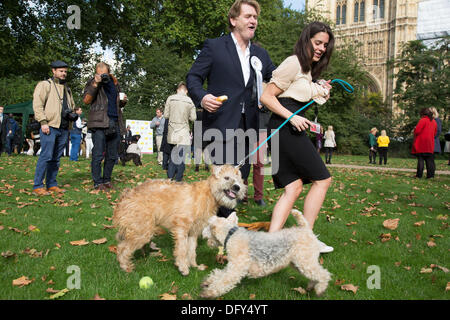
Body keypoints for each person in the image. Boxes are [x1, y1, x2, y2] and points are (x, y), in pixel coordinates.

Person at [187, 0, 276, 217]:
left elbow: (278, 78)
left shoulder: (260, 55)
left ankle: (210, 223)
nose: (253, 20)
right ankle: (220, 230)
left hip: (249, 127)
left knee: (241, 173)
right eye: (248, 16)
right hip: (221, 123)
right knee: (225, 179)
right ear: (233, 20)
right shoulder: (215, 47)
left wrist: (311, 80)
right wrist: (203, 97)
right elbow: (193, 78)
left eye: (255, 17)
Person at [260, 21, 334, 253]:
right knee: (323, 180)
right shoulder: (293, 63)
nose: (321, 48)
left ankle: (270, 243)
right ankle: (306, 239)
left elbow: (301, 96)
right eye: (317, 42)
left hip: (289, 127)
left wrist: (321, 89)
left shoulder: (307, 70)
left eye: (325, 45)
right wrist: (292, 117)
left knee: (293, 187)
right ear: (307, 40)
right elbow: (267, 96)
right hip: (283, 126)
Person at [32, 60, 77, 195]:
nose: (63, 74)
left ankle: (51, 184)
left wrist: (73, 114)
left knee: (56, 158)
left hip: (63, 128)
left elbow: (72, 106)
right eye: (61, 71)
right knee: (46, 156)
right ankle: (38, 186)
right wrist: (43, 122)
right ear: (53, 71)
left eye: (65, 72)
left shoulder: (67, 88)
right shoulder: (45, 85)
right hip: (50, 126)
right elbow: (38, 104)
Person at [83, 61, 127, 191]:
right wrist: (96, 83)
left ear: (109, 72)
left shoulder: (114, 83)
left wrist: (123, 101)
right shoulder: (92, 82)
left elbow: (118, 103)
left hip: (115, 122)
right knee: (98, 154)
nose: (103, 76)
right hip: (99, 123)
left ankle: (107, 180)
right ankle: (97, 182)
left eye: (105, 73)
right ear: (96, 73)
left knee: (112, 155)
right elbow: (86, 100)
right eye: (99, 73)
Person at [164, 82, 196, 182]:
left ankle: (170, 177)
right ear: (186, 91)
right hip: (183, 130)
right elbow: (193, 118)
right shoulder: (190, 101)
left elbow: (166, 115)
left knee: (172, 155)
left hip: (172, 130)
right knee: (181, 157)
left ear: (178, 90)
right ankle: (178, 179)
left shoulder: (170, 98)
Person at [412, 108, 437, 179]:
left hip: (422, 142)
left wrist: (415, 129)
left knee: (421, 159)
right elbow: (435, 133)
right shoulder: (434, 122)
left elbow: (417, 131)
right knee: (430, 160)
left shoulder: (423, 120)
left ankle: (419, 175)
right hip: (430, 143)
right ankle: (431, 175)